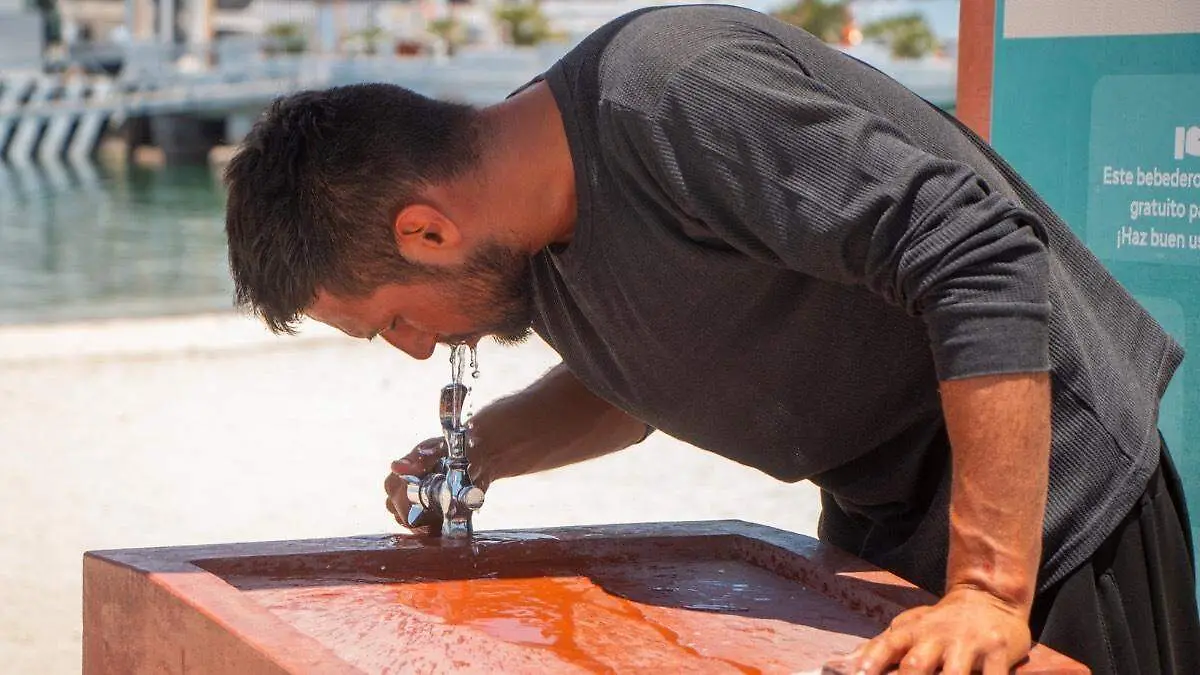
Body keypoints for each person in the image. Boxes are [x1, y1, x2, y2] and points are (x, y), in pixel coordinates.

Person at [221, 5, 1199, 674]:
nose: (415, 350)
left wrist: (989, 590)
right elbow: (635, 375)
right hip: (887, 528)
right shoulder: (532, 238)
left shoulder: (674, 96)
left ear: (426, 230)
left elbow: (978, 253)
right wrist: (477, 457)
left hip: (1058, 521)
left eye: (391, 319)